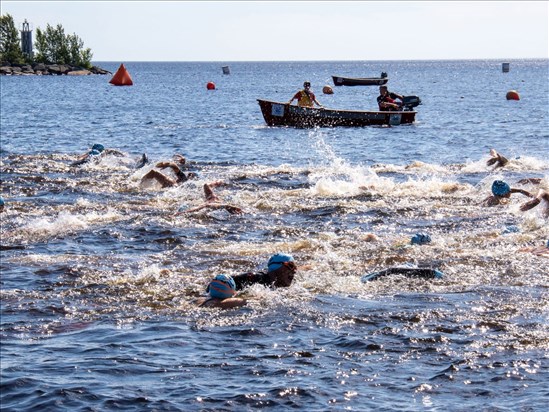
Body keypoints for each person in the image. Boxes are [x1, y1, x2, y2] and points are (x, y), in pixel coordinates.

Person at [194, 254, 298, 309]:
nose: (294, 271)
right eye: (290, 266)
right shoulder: (254, 278)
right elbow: (221, 281)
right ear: (276, 267)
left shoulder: (281, 285)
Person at [177, 181, 243, 215]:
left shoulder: (211, 199)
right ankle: (219, 182)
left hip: (216, 204)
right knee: (206, 186)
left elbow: (206, 206)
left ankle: (219, 182)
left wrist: (182, 213)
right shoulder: (213, 198)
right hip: (218, 204)